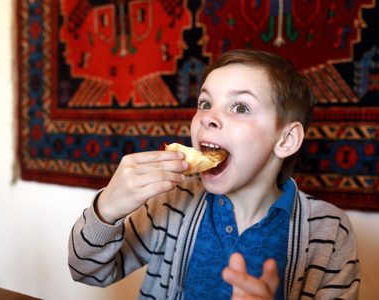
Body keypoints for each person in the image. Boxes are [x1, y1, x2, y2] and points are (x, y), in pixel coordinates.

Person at [68, 49, 360, 300]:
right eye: (205, 103)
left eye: (240, 107)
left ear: (285, 140)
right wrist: (106, 210)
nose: (207, 117)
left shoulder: (330, 232)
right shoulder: (172, 201)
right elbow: (87, 273)